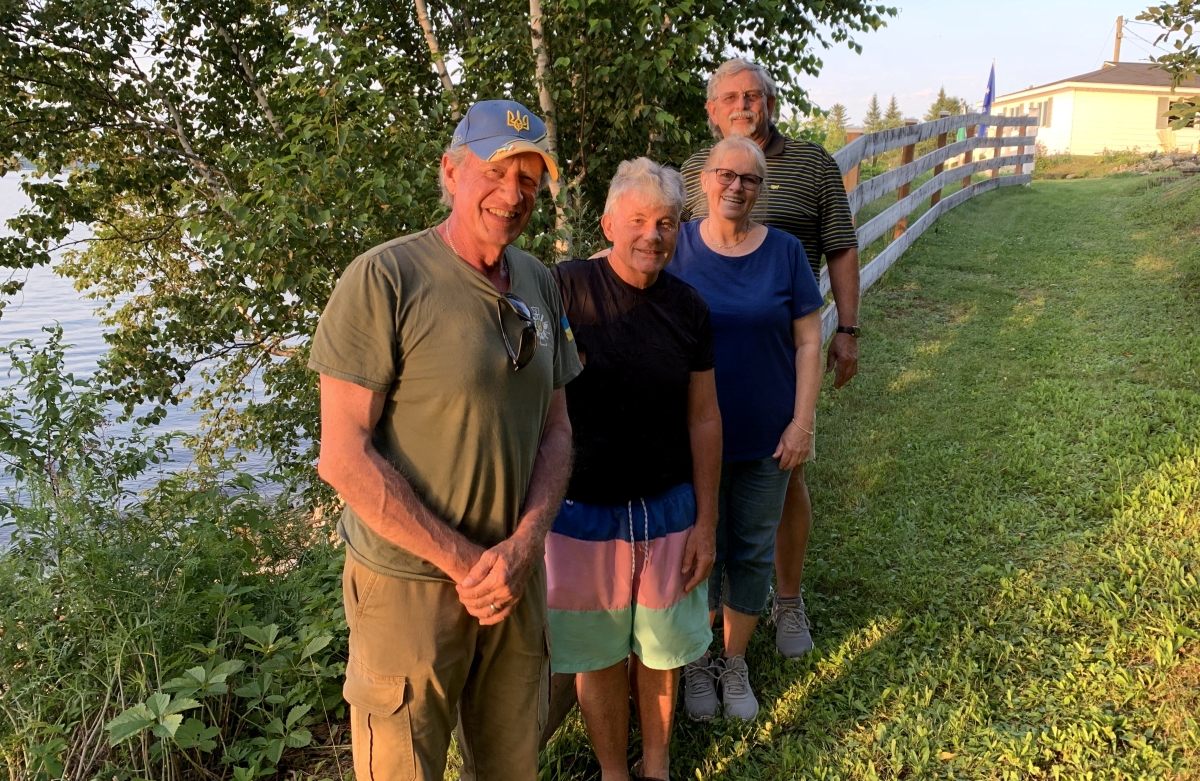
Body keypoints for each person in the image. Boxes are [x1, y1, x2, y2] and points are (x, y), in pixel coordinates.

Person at [309, 99, 582, 781]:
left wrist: (521, 547)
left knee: (512, 763)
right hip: (410, 587)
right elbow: (342, 455)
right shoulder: (384, 279)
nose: (513, 194)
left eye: (529, 178)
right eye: (496, 171)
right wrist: (464, 563)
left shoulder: (540, 283)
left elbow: (557, 430)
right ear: (452, 172)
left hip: (513, 581)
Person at [546, 158, 721, 781]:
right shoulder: (564, 290)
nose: (652, 234)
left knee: (662, 654)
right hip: (580, 513)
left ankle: (656, 766)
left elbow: (704, 419)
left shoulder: (691, 309)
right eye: (639, 219)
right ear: (609, 223)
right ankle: (614, 772)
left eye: (667, 222)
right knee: (596, 658)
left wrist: (707, 522)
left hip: (666, 509)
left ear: (679, 232)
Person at [680, 57, 861, 659]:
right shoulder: (689, 172)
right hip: (707, 357)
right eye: (729, 96)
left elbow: (840, 246)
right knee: (708, 487)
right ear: (711, 111)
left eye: (753, 95)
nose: (742, 105)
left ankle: (786, 599)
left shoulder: (812, 164)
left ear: (770, 104)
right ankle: (712, 627)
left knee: (785, 478)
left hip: (781, 348)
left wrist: (848, 329)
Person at [668, 135, 824, 721]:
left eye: (750, 179)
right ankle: (697, 661)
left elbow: (810, 339)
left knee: (753, 550)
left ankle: (733, 663)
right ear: (703, 180)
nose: (737, 187)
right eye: (725, 175)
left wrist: (802, 422)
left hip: (766, 435)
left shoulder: (784, 251)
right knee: (698, 550)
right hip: (687, 439)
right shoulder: (674, 245)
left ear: (762, 189)